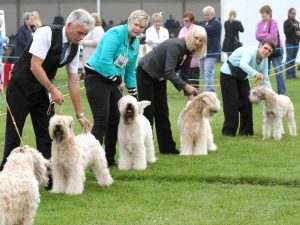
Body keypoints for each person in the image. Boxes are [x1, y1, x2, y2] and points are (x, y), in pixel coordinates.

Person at [0, 9, 94, 174]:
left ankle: (48, 176)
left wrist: (80, 115)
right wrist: (52, 88)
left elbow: (73, 81)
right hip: (20, 87)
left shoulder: (75, 47)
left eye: (85, 34)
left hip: (42, 91)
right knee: (14, 133)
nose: (81, 38)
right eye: (80, 33)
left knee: (48, 135)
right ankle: (6, 173)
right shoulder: (46, 32)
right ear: (69, 25)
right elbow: (35, 65)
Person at [84, 10, 150, 167]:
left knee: (115, 119)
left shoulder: (135, 43)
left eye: (141, 27)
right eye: (135, 24)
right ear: (129, 21)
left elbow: (130, 69)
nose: (137, 29)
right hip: (97, 77)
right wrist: (117, 79)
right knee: (102, 120)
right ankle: (91, 161)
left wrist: (134, 94)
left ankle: (109, 159)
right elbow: (105, 59)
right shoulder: (115, 34)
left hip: (113, 80)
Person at [136, 26, 207, 154]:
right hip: (146, 73)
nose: (198, 42)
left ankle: (167, 148)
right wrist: (186, 87)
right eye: (196, 38)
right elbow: (170, 72)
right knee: (148, 112)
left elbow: (185, 75)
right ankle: (144, 150)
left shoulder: (189, 51)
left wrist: (190, 97)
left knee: (163, 112)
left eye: (201, 40)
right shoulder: (176, 45)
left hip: (160, 76)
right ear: (191, 36)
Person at [220, 38, 274, 137]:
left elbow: (265, 78)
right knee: (232, 103)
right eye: (265, 48)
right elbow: (243, 64)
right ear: (260, 46)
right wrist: (255, 73)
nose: (267, 51)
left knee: (247, 102)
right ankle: (228, 132)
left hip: (242, 76)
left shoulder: (265, 60)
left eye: (270, 51)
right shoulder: (251, 51)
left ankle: (246, 132)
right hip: (228, 74)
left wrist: (272, 95)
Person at [256, 5, 286, 95]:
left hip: (275, 51)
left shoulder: (274, 23)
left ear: (269, 13)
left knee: (278, 71)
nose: (262, 15)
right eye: (261, 14)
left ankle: (282, 93)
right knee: (265, 72)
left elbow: (273, 36)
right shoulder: (259, 23)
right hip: (265, 51)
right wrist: (267, 34)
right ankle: (266, 92)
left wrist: (263, 36)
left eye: (264, 13)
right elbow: (257, 36)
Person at [178, 11, 200, 99]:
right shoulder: (182, 30)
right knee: (186, 81)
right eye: (184, 21)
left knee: (195, 82)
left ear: (191, 21)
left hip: (195, 60)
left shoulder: (197, 29)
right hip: (185, 61)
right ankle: (190, 101)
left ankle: (196, 99)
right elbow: (180, 41)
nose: (185, 23)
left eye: (187, 21)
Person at [200, 6, 221, 93]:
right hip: (202, 52)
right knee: (203, 75)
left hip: (211, 53)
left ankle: (207, 93)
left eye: (207, 15)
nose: (205, 17)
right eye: (204, 15)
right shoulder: (205, 23)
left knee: (208, 73)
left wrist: (196, 29)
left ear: (213, 14)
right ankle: (211, 93)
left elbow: (204, 31)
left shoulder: (216, 23)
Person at [81, 13, 105, 77]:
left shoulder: (97, 29)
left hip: (93, 56)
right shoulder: (94, 29)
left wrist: (83, 42)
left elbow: (96, 42)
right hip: (90, 56)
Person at [284, 8, 300, 79]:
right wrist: (292, 27)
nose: (294, 15)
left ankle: (293, 74)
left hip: (296, 43)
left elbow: (298, 32)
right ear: (289, 13)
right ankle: (288, 75)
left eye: (295, 13)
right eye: (292, 13)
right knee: (289, 59)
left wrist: (298, 32)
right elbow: (286, 32)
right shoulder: (286, 22)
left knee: (293, 59)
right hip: (289, 43)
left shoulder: (297, 22)